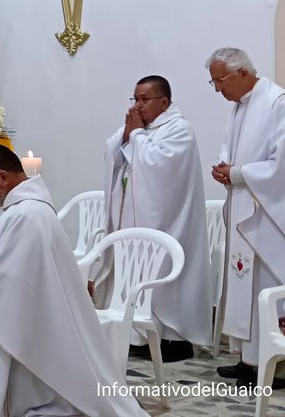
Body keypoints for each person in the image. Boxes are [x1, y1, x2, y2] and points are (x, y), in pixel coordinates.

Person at [0, 143, 146, 417]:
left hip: (30, 313)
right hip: (31, 310)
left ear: (2, 177)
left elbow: (7, 280)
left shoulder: (26, 215)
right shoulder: (19, 209)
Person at [100, 75, 212, 362]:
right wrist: (127, 136)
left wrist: (135, 136)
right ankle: (139, 334)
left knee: (163, 275)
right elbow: (114, 153)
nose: (138, 105)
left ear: (164, 101)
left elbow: (160, 168)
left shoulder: (179, 129)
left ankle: (174, 340)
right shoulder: (141, 127)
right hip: (135, 218)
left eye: (144, 99)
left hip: (168, 221)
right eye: (135, 99)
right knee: (135, 271)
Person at [206, 47, 285, 388]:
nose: (218, 90)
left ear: (243, 73)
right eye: (213, 82)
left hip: (270, 215)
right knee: (245, 286)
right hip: (245, 205)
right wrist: (224, 169)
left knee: (267, 285)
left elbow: (284, 164)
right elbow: (232, 151)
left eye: (220, 81)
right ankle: (250, 359)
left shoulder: (279, 103)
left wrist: (238, 173)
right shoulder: (241, 106)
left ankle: (281, 367)